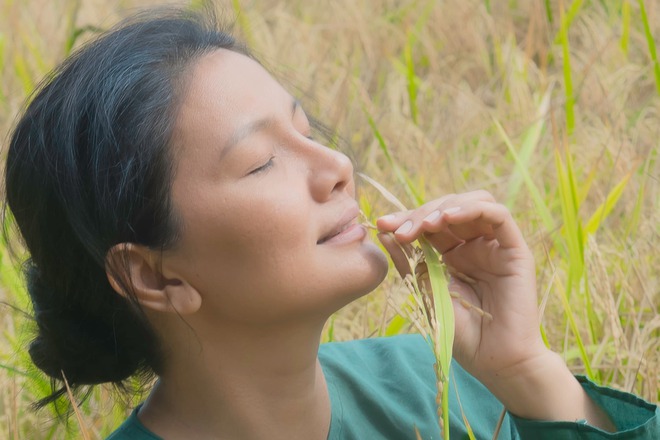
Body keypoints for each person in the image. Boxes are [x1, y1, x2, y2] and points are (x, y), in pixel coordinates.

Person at [3, 7, 657, 440]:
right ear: (155, 274)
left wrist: (526, 372)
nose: (338, 164)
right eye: (261, 163)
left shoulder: (434, 389)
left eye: (306, 129)